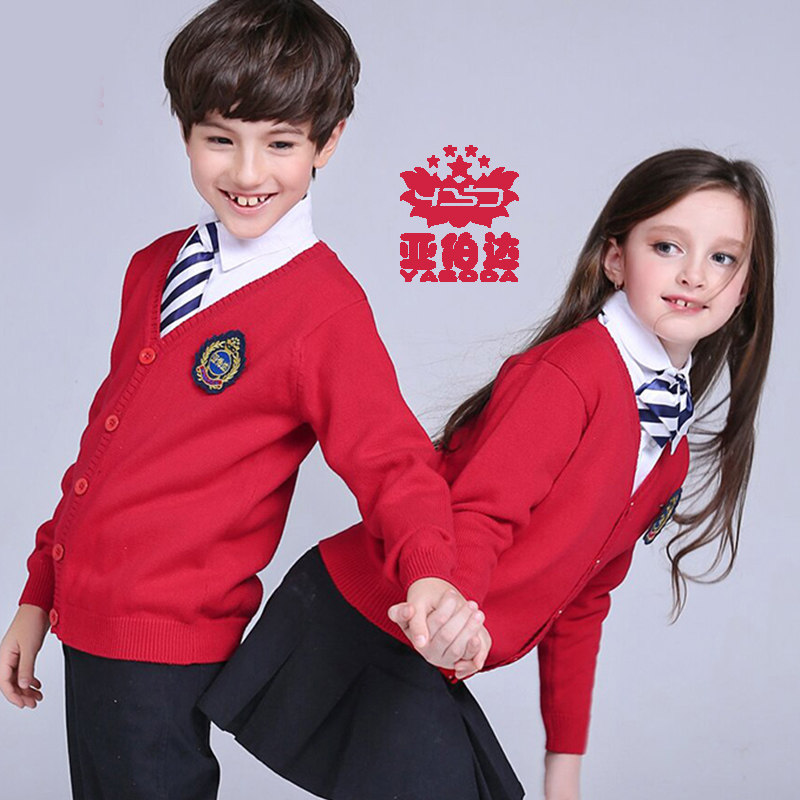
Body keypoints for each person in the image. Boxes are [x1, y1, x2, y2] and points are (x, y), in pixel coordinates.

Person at [0, 2, 485, 797]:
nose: (248, 172)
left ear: (328, 142)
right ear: (185, 132)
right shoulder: (154, 267)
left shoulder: (322, 309)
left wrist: (428, 571)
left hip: (167, 642)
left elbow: (393, 460)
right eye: (220, 139)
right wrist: (38, 594)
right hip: (87, 623)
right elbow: (105, 452)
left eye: (281, 143)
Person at [198, 148, 775, 800]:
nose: (694, 274)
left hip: (430, 644)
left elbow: (584, 603)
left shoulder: (669, 450)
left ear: (746, 286)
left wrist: (564, 761)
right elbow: (479, 514)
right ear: (615, 259)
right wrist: (455, 619)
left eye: (722, 257)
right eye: (667, 246)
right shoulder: (573, 373)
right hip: (367, 622)